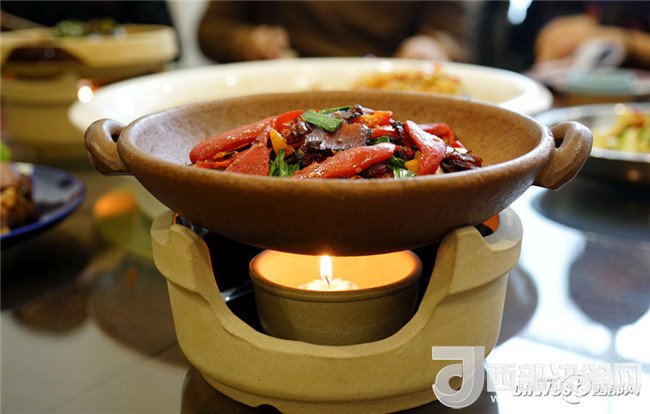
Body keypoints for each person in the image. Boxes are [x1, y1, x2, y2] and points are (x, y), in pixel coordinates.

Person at [197, 1, 473, 63]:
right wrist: (247, 40)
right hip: (287, 80)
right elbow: (212, 29)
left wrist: (433, 44)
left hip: (390, 84)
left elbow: (452, 34)